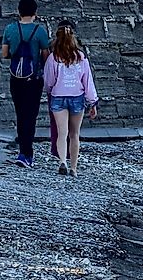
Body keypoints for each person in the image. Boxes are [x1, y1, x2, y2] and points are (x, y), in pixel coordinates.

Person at [0, 0, 51, 168]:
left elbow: (5, 54)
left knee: (20, 114)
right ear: (35, 12)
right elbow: (45, 57)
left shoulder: (10, 29)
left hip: (16, 78)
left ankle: (23, 151)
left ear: (19, 11)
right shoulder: (40, 31)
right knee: (31, 115)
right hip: (33, 79)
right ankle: (27, 153)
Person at [44, 19, 98, 177]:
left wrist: (50, 90)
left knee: (62, 133)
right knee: (74, 134)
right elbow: (87, 81)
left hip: (58, 96)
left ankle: (62, 161)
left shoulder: (53, 58)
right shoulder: (80, 57)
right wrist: (93, 102)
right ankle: (74, 167)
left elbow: (48, 81)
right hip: (77, 97)